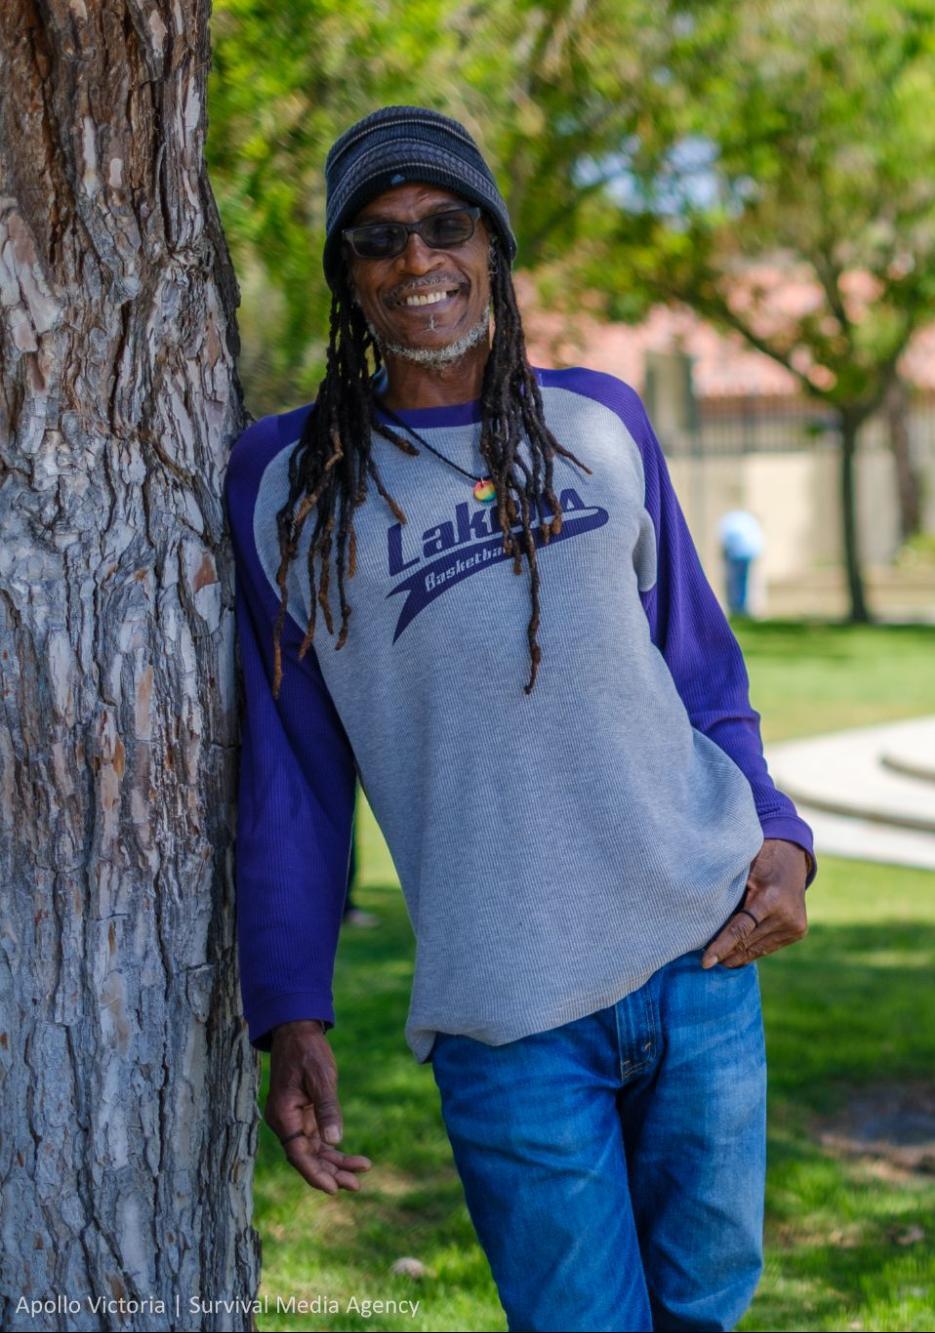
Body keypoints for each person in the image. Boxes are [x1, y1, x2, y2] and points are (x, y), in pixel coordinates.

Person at [225, 106, 814, 1332]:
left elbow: (699, 665)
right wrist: (292, 1009)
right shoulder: (288, 484)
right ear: (345, 273)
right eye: (378, 239)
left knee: (709, 1307)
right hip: (507, 1007)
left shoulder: (599, 419)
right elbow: (293, 775)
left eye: (447, 226)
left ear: (491, 245)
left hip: (701, 957)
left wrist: (779, 833)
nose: (417, 261)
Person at [717, 509, 765, 617]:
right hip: (743, 553)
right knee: (742, 581)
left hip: (737, 553)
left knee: (737, 582)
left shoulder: (731, 521)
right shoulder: (745, 521)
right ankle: (739, 607)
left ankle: (739, 607)